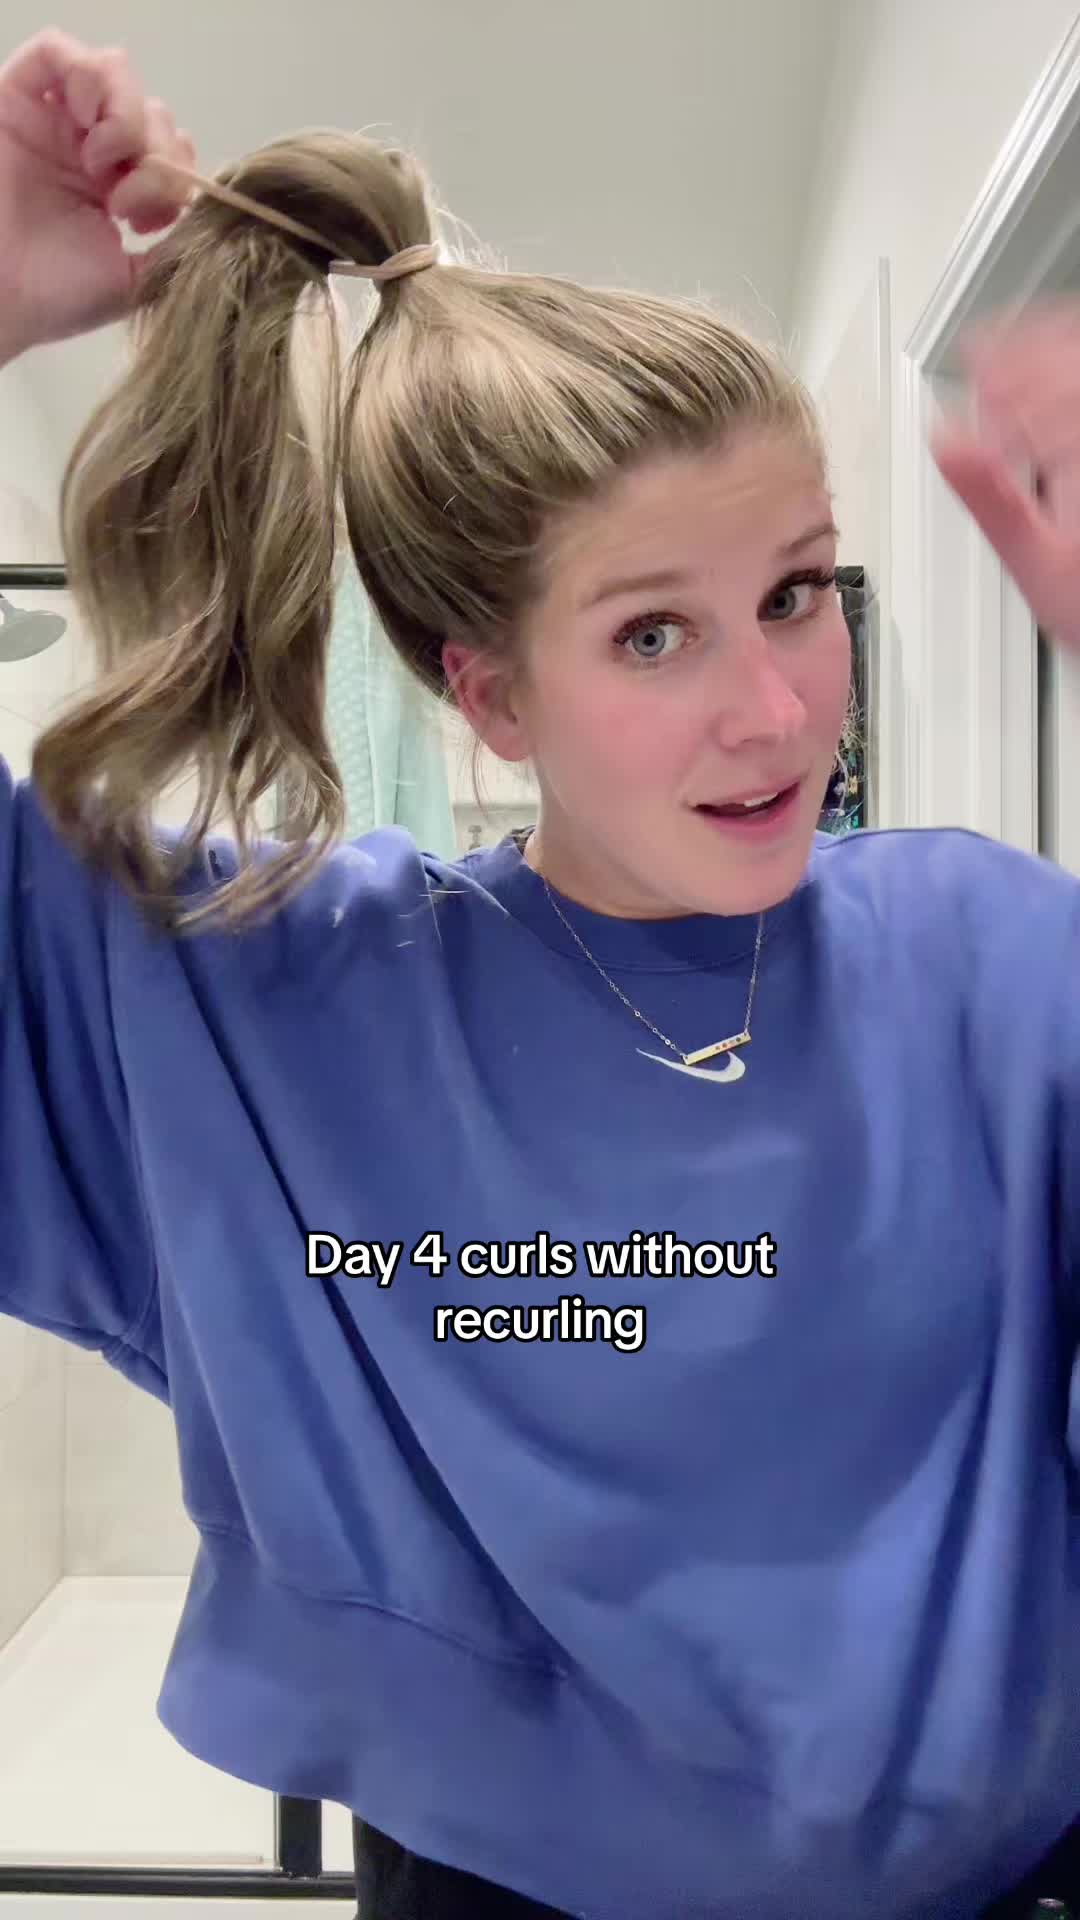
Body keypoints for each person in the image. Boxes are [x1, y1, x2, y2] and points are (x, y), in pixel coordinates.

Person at [3, 26, 1080, 1920]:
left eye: (796, 593)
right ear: (487, 692)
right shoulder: (280, 1005)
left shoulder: (992, 962)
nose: (779, 712)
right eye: (654, 633)